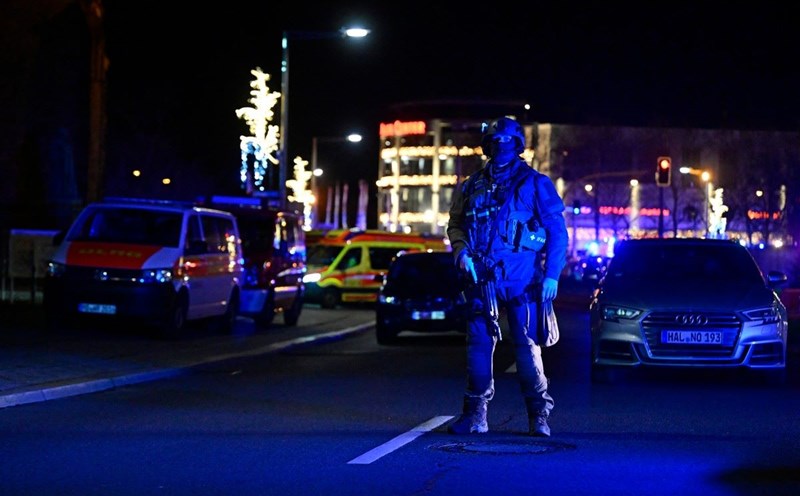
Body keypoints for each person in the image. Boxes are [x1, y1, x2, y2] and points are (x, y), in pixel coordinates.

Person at [446, 116, 569, 437]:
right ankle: (475, 416)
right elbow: (456, 224)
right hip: (481, 278)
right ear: (487, 145)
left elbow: (557, 232)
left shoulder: (534, 183)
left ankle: (538, 416)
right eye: (495, 142)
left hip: (521, 278)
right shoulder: (471, 185)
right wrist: (461, 251)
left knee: (527, 348)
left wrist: (552, 275)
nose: (500, 148)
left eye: (506, 142)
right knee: (478, 346)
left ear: (517, 146)